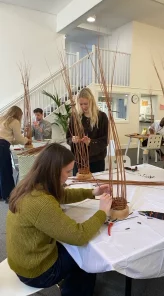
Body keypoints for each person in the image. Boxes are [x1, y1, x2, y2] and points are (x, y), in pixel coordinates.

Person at [6, 143, 112, 296]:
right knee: (87, 254)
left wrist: (92, 192)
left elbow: (62, 195)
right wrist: (102, 212)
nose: (70, 175)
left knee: (73, 246)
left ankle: (72, 283)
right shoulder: (40, 202)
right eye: (68, 171)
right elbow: (79, 235)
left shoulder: (30, 185)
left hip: (24, 260)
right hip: (36, 272)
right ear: (54, 171)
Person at [67, 88, 108, 174]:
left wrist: (90, 142)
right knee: (79, 186)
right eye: (81, 104)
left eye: (86, 104)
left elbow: (105, 140)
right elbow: (68, 138)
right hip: (79, 160)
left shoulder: (102, 117)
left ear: (92, 101)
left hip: (96, 161)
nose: (83, 106)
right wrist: (73, 139)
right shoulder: (75, 117)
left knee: (96, 186)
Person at [0, 106, 28, 203]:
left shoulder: (1, 119)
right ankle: (8, 195)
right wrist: (27, 140)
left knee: (1, 171)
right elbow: (19, 139)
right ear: (18, 114)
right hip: (2, 147)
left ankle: (1, 194)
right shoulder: (14, 121)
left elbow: (10, 140)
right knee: (6, 171)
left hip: (3, 144)